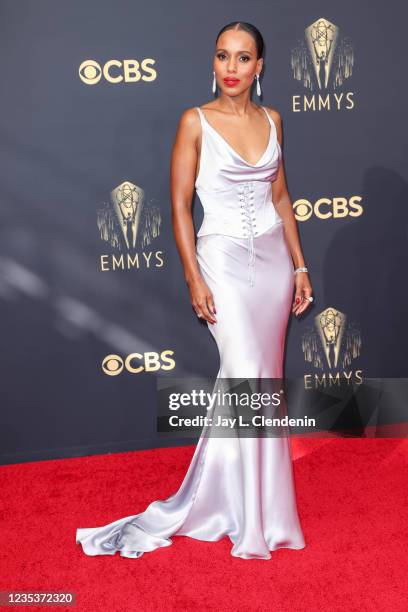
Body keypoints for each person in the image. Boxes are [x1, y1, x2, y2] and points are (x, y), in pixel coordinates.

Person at [76, 21, 313, 560]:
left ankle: (264, 513)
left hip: (275, 265)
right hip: (222, 263)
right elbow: (181, 205)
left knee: (260, 386)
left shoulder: (273, 120)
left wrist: (300, 266)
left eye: (243, 57)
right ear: (213, 63)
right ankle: (248, 520)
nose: (231, 67)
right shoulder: (195, 122)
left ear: (260, 67)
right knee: (247, 372)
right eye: (223, 56)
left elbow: (281, 199)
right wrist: (193, 276)